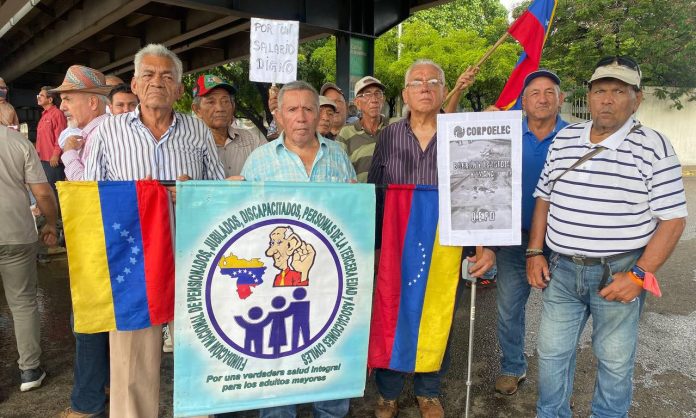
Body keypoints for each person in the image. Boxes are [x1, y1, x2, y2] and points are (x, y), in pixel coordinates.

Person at [528, 56, 687, 418]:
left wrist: (639, 274)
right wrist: (534, 252)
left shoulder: (654, 147)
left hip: (620, 271)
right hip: (561, 271)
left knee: (614, 361)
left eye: (619, 91)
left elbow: (674, 220)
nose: (608, 99)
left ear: (637, 98)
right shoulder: (565, 138)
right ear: (589, 96)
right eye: (600, 91)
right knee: (552, 354)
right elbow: (544, 197)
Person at [85, 43, 224, 418]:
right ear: (134, 83)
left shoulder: (197, 131)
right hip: (131, 261)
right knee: (131, 360)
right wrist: (134, 197)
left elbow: (221, 191)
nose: (157, 82)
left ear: (180, 89)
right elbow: (90, 200)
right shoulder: (107, 133)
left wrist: (194, 192)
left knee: (197, 347)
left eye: (167, 76)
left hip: (191, 254)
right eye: (148, 74)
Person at [367, 59, 495, 418]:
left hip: (445, 243)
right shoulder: (389, 135)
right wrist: (374, 246)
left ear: (444, 91)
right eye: (417, 82)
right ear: (406, 93)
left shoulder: (464, 133)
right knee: (391, 310)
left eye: (434, 81)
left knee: (438, 313)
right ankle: (388, 393)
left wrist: (483, 246)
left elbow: (481, 191)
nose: (425, 87)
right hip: (395, 241)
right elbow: (375, 191)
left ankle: (429, 391)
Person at [241, 80, 356, 418]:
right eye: (292, 109)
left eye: (309, 108)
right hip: (277, 289)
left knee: (330, 364)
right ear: (278, 116)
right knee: (276, 367)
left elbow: (350, 215)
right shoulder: (259, 161)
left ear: (320, 114)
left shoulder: (338, 156)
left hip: (329, 283)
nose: (302, 117)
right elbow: (243, 226)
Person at [493, 69, 568, 396]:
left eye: (549, 92)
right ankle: (512, 366)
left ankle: (556, 374)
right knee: (509, 307)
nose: (542, 98)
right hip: (513, 239)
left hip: (563, 241)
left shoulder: (575, 137)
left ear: (561, 99)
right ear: (523, 101)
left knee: (561, 312)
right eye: (534, 92)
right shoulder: (504, 133)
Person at [50, 65, 111, 418]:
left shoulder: (97, 134)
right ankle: (98, 391)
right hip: (101, 238)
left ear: (92, 102)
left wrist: (69, 153)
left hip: (97, 239)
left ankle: (86, 404)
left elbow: (85, 188)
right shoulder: (91, 130)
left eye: (69, 98)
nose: (64, 106)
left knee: (87, 320)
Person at [0, 124, 59, 392]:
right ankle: (30, 370)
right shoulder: (17, 142)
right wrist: (51, 223)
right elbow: (43, 192)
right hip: (16, 231)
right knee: (23, 302)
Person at [192, 74, 266, 177]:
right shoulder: (189, 146)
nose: (220, 108)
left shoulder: (253, 140)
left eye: (225, 101)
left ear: (233, 106)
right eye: (211, 102)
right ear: (197, 110)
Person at [337, 76, 388, 182]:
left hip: (390, 196)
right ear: (357, 103)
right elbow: (338, 169)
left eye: (378, 93)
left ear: (383, 100)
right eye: (367, 94)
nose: (374, 99)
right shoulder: (346, 133)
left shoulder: (393, 128)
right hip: (360, 195)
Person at [36, 86, 68, 198]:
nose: (38, 97)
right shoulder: (44, 115)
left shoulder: (57, 114)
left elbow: (61, 136)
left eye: (42, 95)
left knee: (56, 190)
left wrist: (55, 154)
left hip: (53, 160)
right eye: (38, 95)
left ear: (50, 100)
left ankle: (59, 215)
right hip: (44, 159)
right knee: (48, 189)